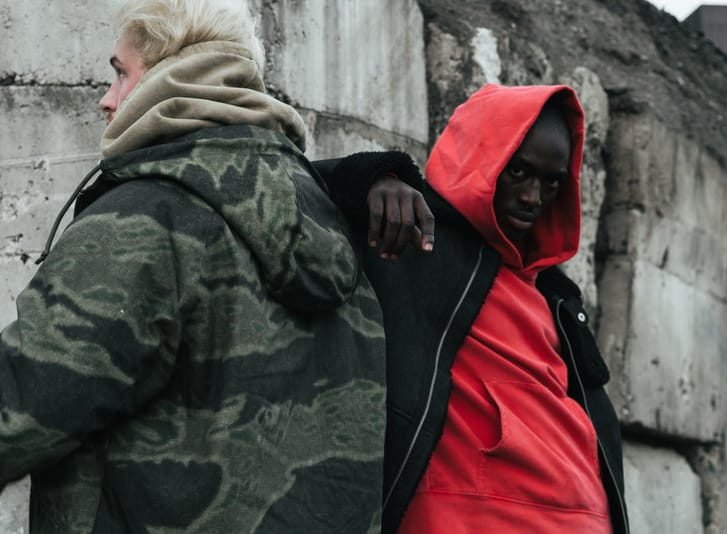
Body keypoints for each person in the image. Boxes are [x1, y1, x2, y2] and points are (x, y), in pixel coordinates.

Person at [0, 0, 387, 532]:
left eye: (120, 74)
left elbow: (19, 409)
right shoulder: (327, 213)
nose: (105, 101)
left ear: (170, 76)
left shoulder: (144, 221)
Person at [318, 84, 629, 533]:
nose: (533, 196)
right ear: (480, 156)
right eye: (519, 171)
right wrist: (376, 178)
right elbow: (294, 188)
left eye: (551, 181)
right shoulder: (418, 244)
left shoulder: (556, 295)